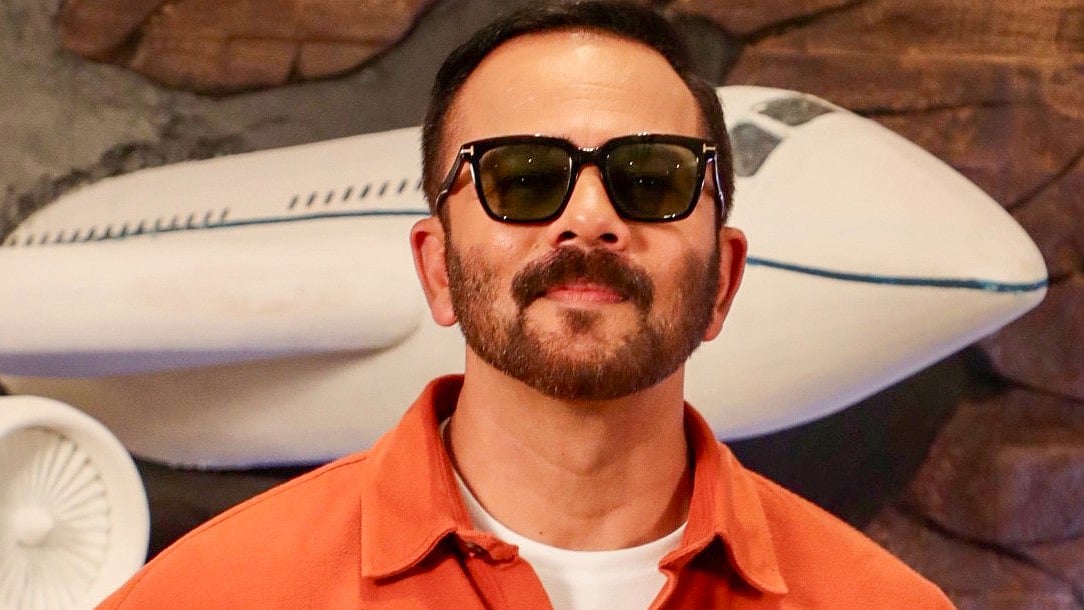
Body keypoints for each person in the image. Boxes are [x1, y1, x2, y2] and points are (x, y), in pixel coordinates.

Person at [98, 2, 956, 608]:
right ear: (437, 269)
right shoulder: (211, 594)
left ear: (723, 281)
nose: (590, 218)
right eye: (523, 178)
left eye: (652, 180)